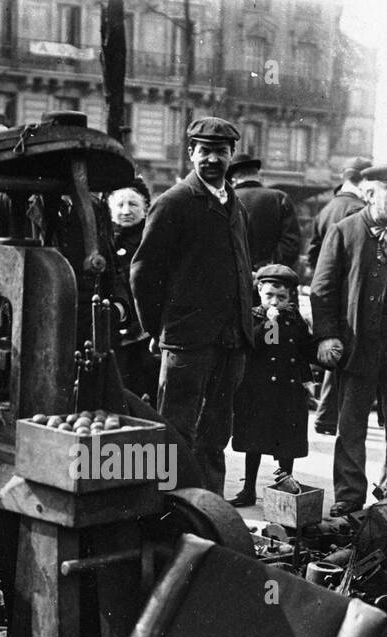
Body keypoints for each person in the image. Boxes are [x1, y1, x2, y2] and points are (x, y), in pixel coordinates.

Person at [131, 116, 254, 496]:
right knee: (175, 429)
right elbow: (143, 273)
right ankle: (167, 506)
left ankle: (208, 508)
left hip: (231, 339)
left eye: (220, 151)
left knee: (216, 431)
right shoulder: (174, 203)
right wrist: (156, 329)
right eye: (204, 151)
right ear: (190, 154)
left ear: (232, 154)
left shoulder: (235, 204)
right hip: (188, 339)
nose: (212, 159)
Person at [310, 164, 387, 516]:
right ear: (369, 194)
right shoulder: (344, 231)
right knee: (350, 426)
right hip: (357, 347)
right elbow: (322, 291)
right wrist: (326, 337)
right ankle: (349, 496)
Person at [228, 264, 315, 507]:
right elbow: (258, 345)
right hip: (259, 389)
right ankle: (248, 488)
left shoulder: (295, 319)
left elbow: (303, 349)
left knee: (287, 442)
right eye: (269, 296)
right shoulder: (255, 316)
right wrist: (269, 324)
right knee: (254, 440)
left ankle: (285, 487)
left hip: (289, 390)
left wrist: (309, 375)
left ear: (290, 296)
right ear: (259, 291)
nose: (275, 302)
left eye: (281, 297)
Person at [310, 156, 372, 436]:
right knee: (349, 360)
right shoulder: (359, 210)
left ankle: (325, 417)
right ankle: (331, 418)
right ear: (363, 180)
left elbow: (313, 254)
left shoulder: (326, 209)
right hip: (351, 293)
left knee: (333, 354)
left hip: (326, 291)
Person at [107, 178, 159, 403]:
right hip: (112, 330)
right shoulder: (104, 240)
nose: (126, 211)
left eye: (133, 204)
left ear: (145, 207)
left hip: (143, 331)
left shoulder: (152, 239)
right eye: (119, 205)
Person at [227, 153, 301, 270]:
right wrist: (268, 269)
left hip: (235, 278)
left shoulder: (226, 200)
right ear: (258, 176)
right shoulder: (280, 198)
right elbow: (291, 244)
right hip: (270, 282)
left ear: (233, 179)